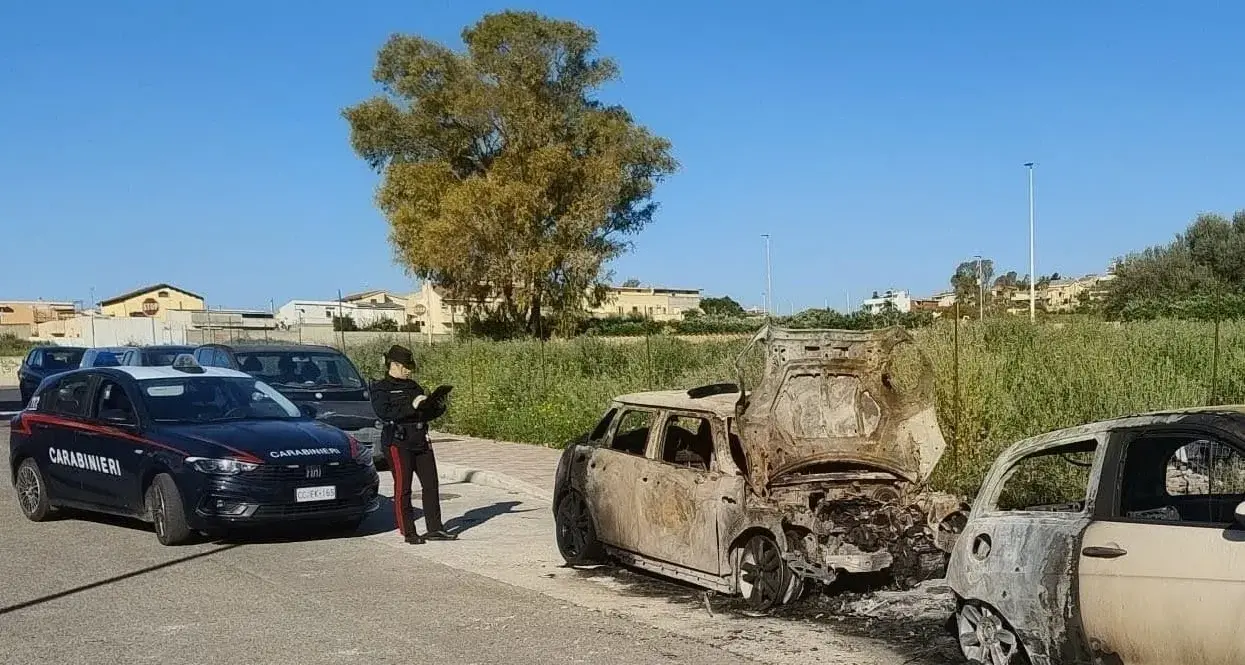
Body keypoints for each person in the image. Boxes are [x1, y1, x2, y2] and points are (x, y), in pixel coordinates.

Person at [370, 344, 457, 544]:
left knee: (431, 484)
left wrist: (436, 407)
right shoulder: (380, 389)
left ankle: (435, 528)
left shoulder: (414, 386)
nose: (409, 371)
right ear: (394, 364)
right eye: (406, 367)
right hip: (398, 442)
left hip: (420, 438)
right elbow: (386, 414)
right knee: (404, 488)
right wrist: (412, 406)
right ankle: (409, 531)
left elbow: (423, 412)